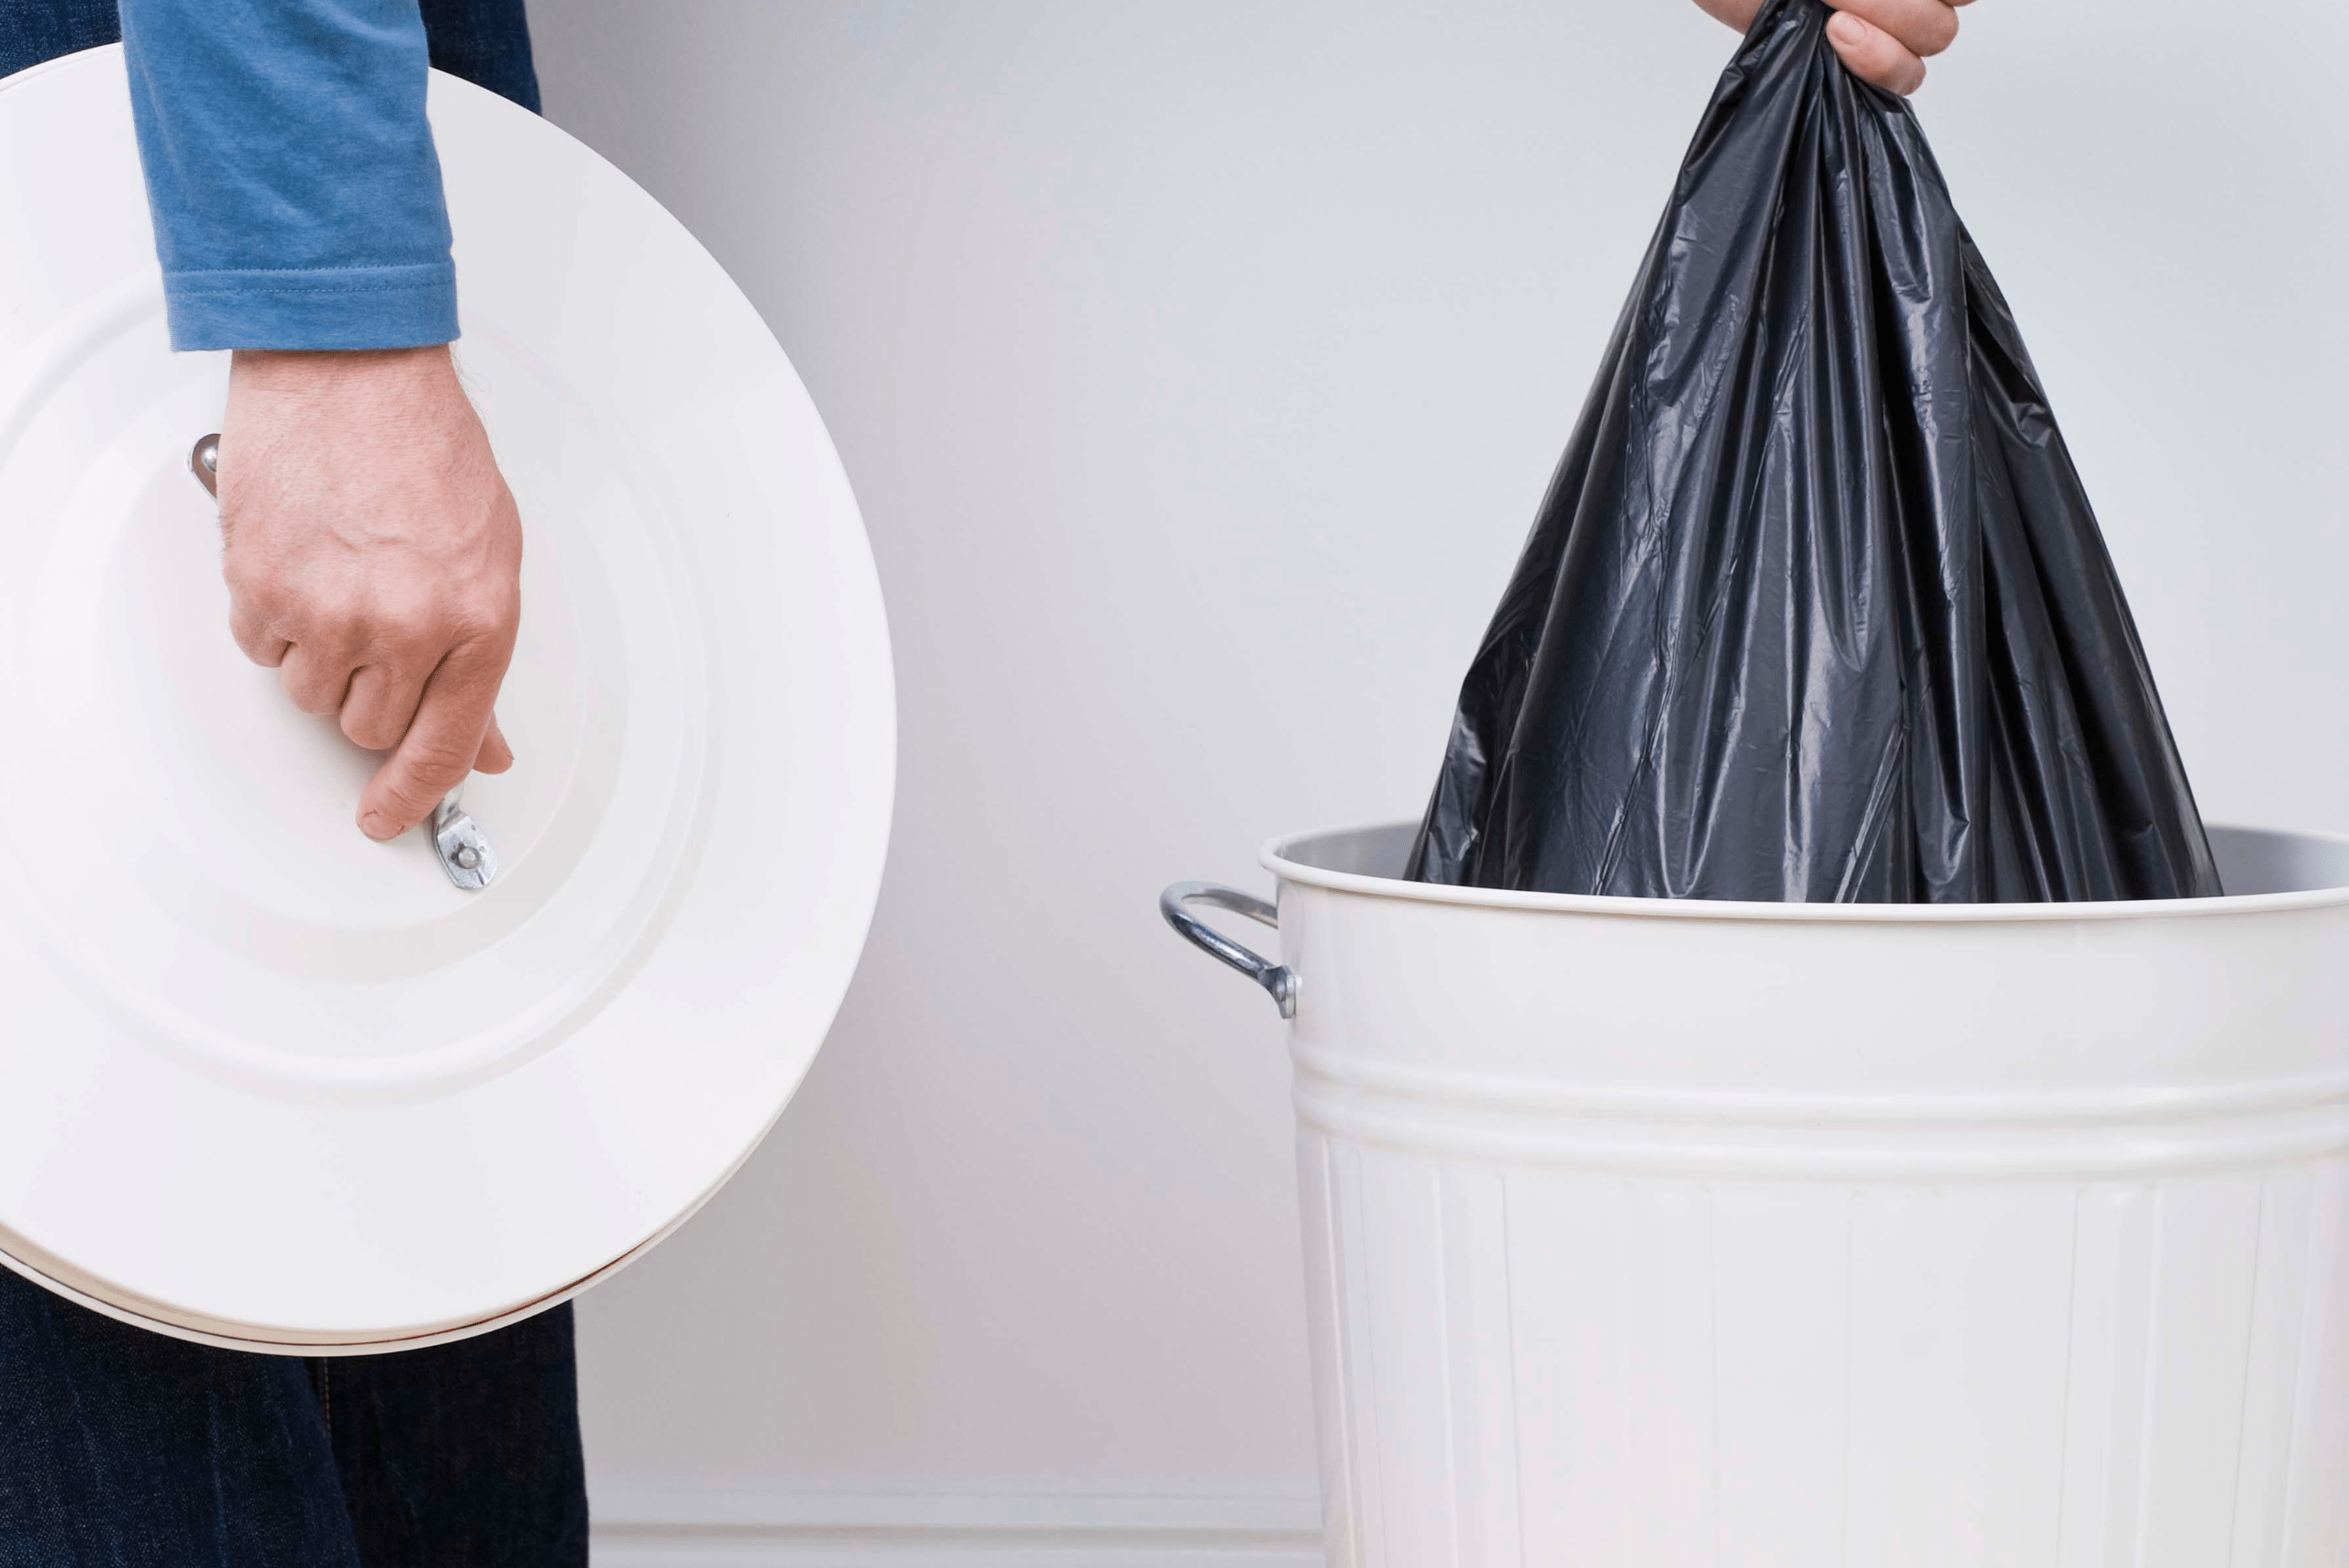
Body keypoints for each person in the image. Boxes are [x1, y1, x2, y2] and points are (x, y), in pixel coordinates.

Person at [0, 0, 1975, 1559]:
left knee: (392, 1271)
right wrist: (322, 300)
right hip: (206, 70)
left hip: (317, 59)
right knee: (137, 1305)